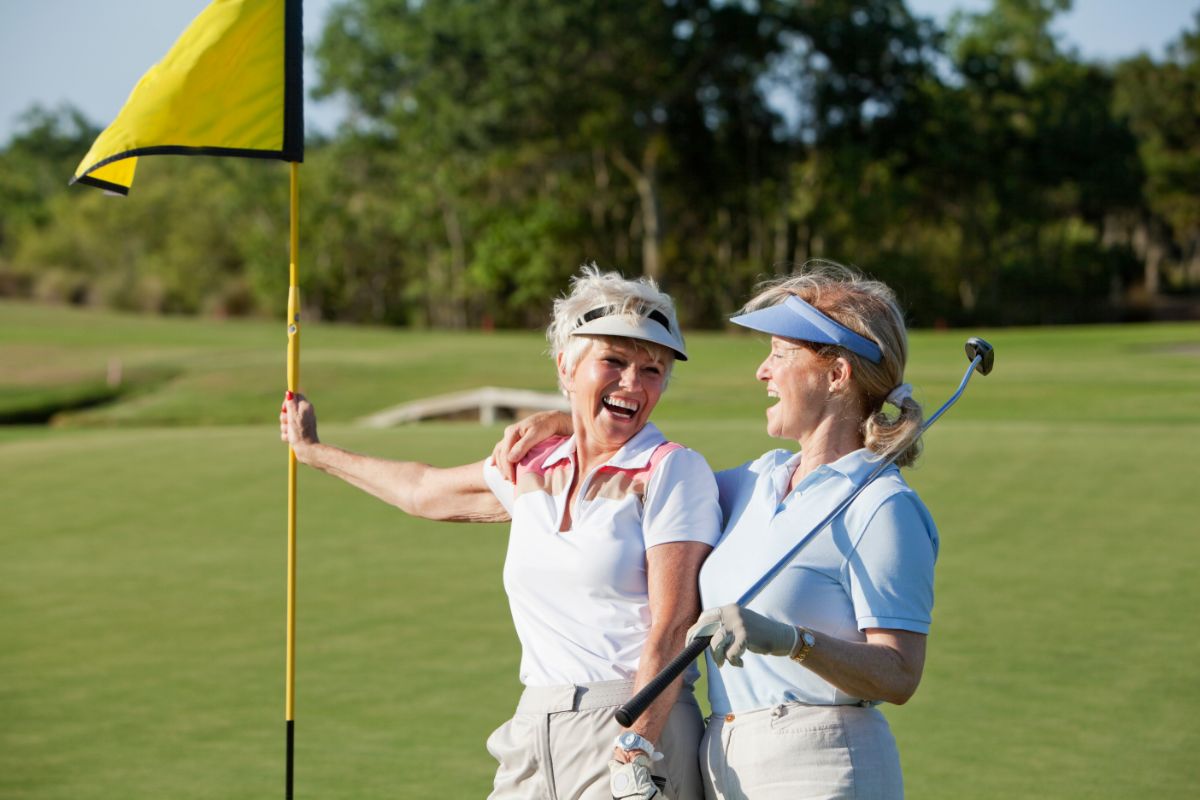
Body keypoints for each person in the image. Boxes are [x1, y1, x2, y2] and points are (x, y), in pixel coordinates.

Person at [492, 262, 938, 799]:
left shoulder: (883, 505)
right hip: (725, 765)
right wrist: (571, 422)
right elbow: (643, 473)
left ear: (837, 374)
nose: (762, 371)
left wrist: (794, 642)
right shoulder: (757, 481)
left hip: (824, 764)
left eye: (779, 354)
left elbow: (898, 674)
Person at [279, 265, 721, 800]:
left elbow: (674, 628)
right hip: (533, 730)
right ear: (566, 366)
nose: (633, 383)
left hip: (631, 723)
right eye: (613, 360)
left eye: (653, 370)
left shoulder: (671, 470)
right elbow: (424, 490)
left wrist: (636, 748)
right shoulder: (533, 463)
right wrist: (315, 453)